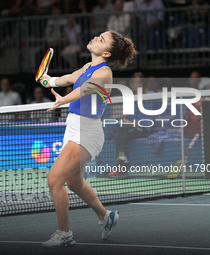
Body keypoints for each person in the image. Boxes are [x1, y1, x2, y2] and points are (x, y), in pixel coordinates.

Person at [39, 30, 137, 248]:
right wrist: (48, 80)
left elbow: (84, 89)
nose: (95, 38)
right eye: (98, 36)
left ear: (107, 53)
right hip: (73, 127)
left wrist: (63, 99)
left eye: (101, 40)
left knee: (55, 180)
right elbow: (67, 78)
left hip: (87, 130)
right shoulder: (87, 67)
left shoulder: (104, 72)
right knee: (74, 182)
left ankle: (64, 234)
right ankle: (106, 217)